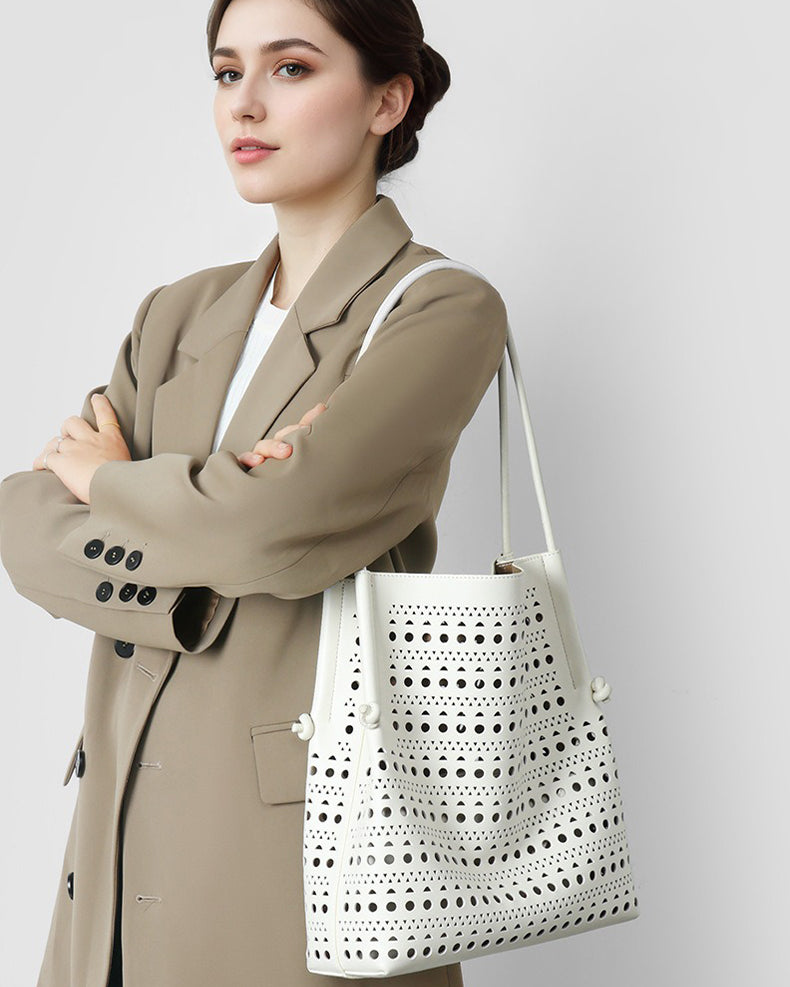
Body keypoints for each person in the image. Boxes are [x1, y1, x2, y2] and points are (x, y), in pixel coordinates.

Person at [0, 1, 509, 985]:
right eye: (227, 72)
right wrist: (201, 538)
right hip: (115, 851)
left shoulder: (440, 309)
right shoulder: (176, 314)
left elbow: (269, 532)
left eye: (289, 69)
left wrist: (105, 480)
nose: (245, 104)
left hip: (302, 876)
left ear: (385, 99)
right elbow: (25, 525)